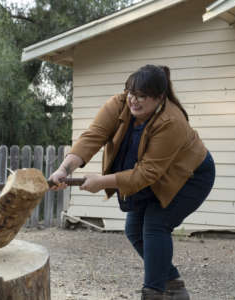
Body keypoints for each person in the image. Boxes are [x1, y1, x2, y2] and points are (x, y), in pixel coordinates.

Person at [49, 64, 215, 300]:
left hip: (191, 176)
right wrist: (63, 169)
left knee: (156, 224)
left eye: (142, 96)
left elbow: (146, 173)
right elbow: (92, 136)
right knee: (134, 229)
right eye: (131, 93)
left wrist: (102, 181)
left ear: (159, 98)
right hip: (155, 173)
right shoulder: (118, 104)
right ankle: (174, 286)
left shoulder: (171, 121)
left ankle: (153, 292)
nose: (134, 101)